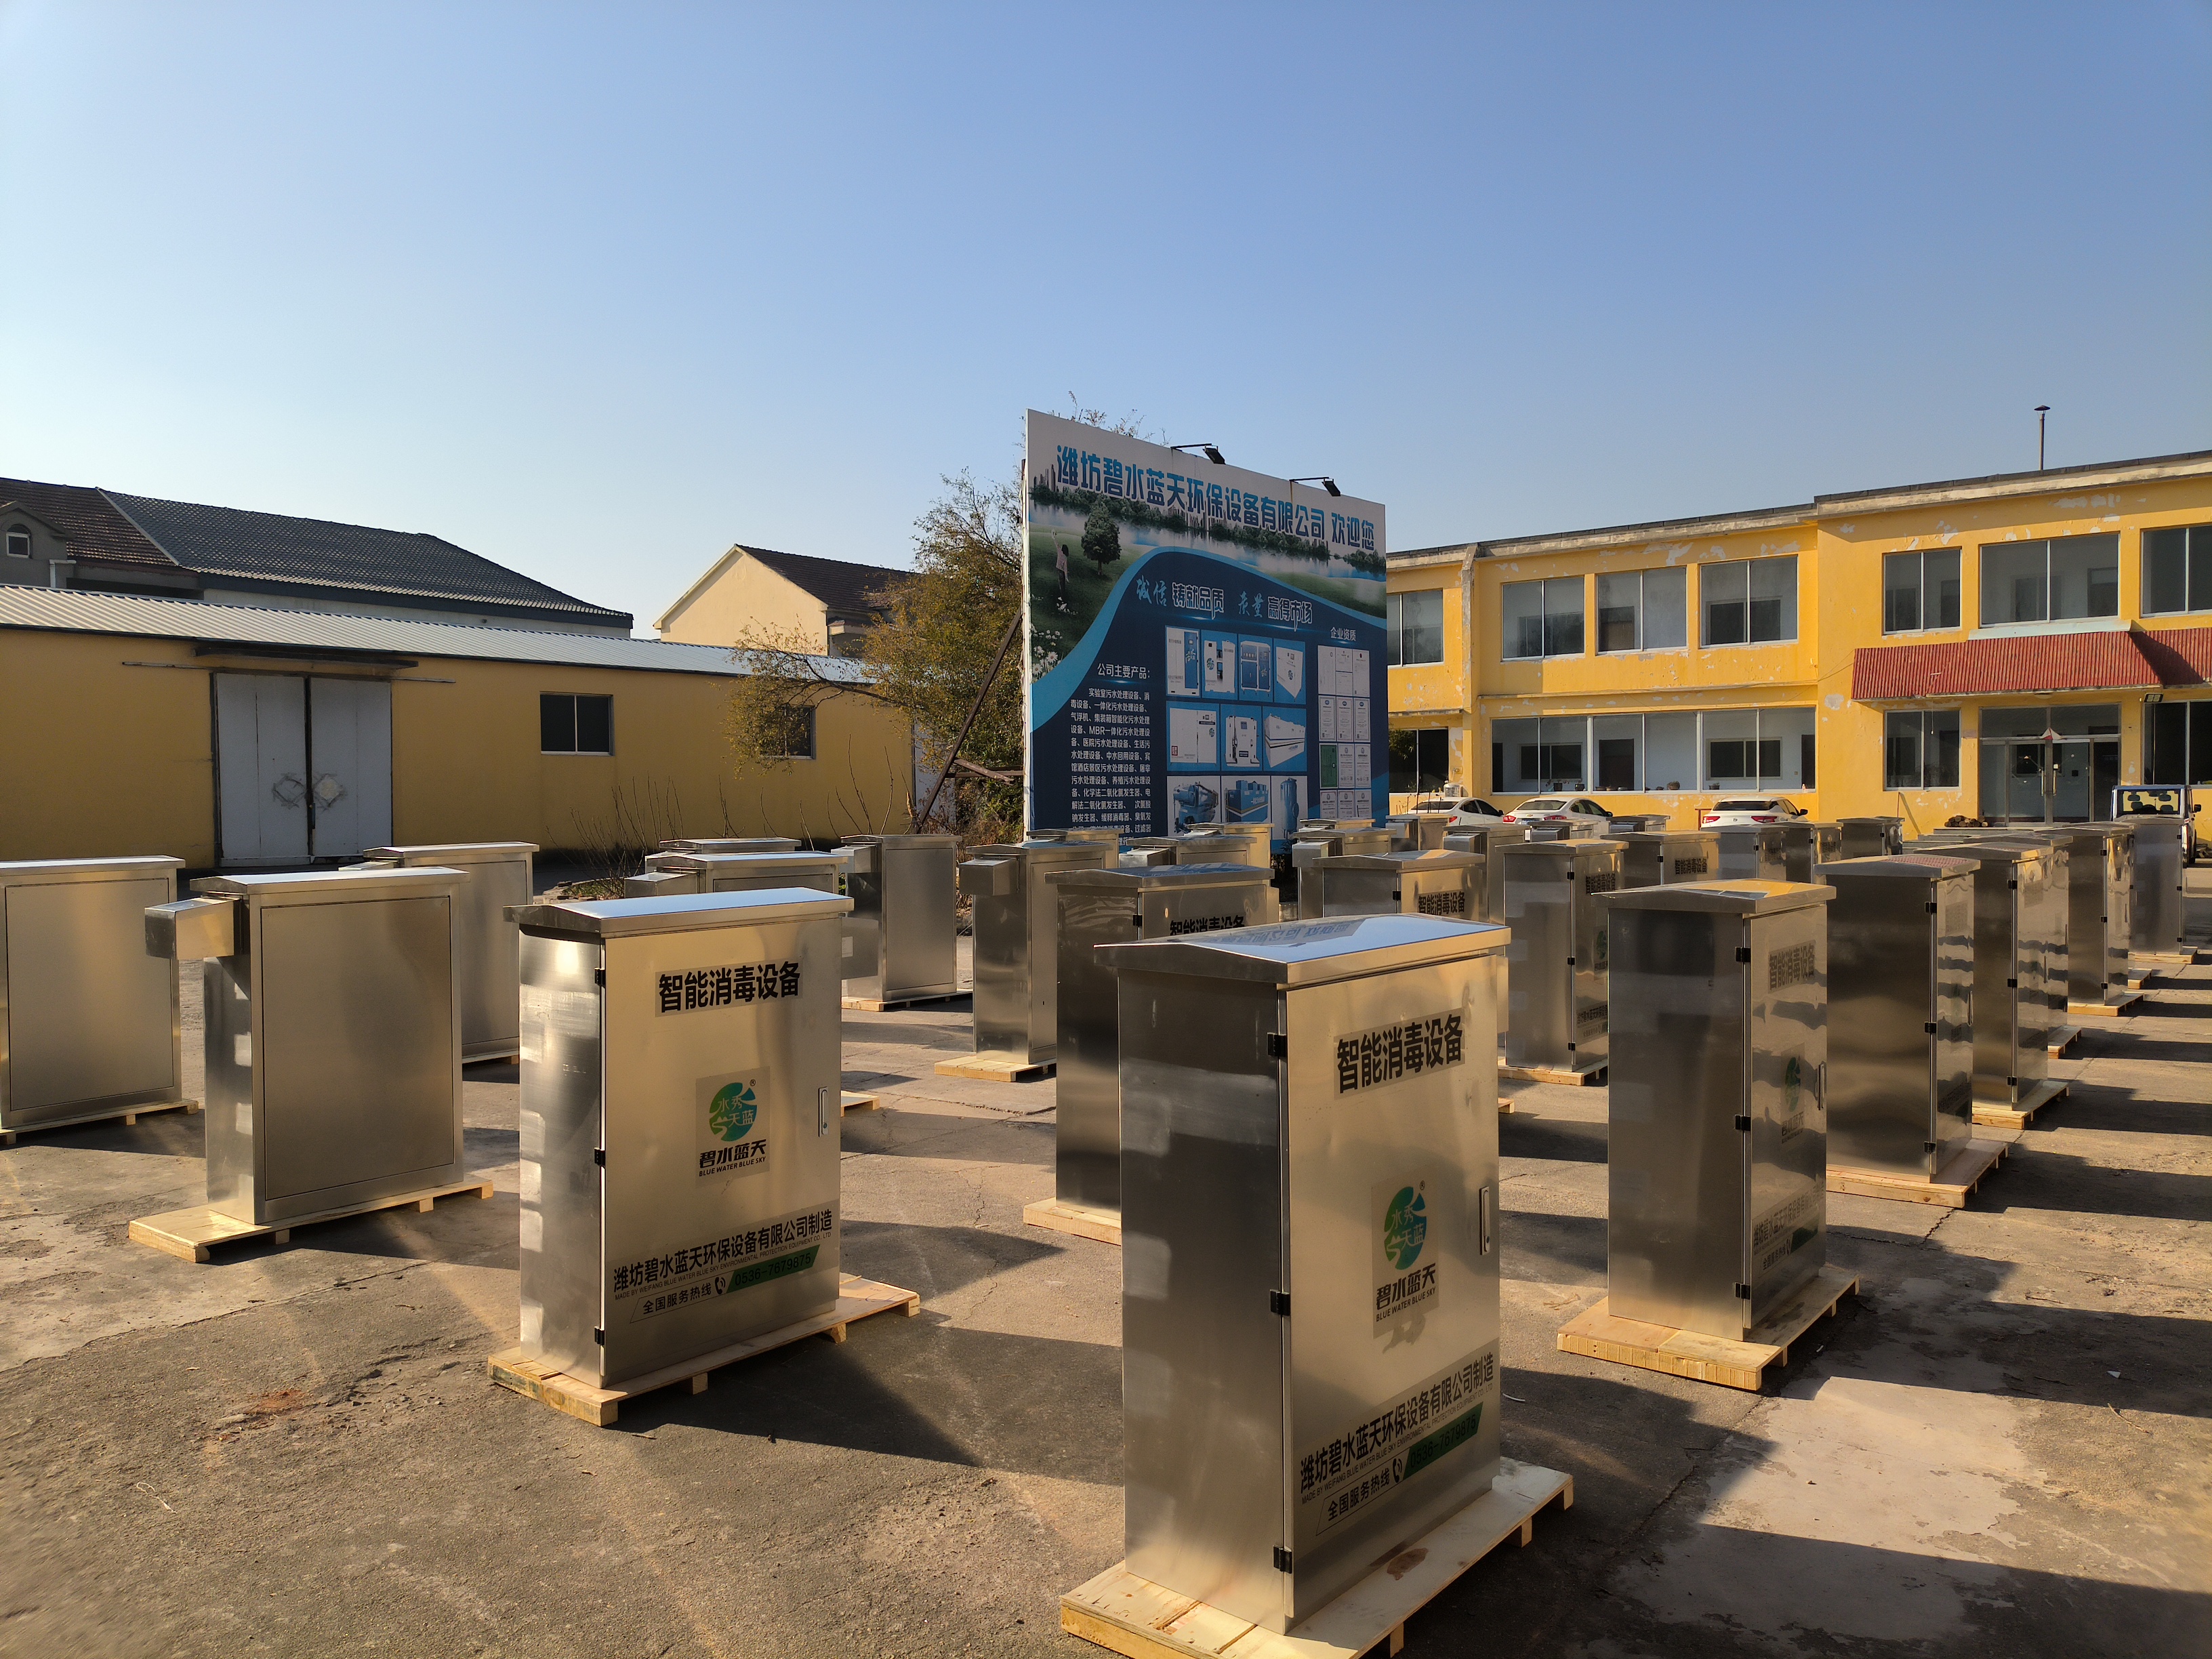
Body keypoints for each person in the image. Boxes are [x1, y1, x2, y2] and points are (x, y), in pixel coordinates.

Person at [1054, 542, 1071, 610]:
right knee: (1062, 586)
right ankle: (1062, 599)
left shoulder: (1059, 553)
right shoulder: (1065, 557)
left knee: (1061, 586)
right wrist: (1066, 577)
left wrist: (1054, 538)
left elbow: (1057, 545)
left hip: (1059, 571)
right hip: (1062, 572)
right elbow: (1065, 568)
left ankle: (1063, 600)